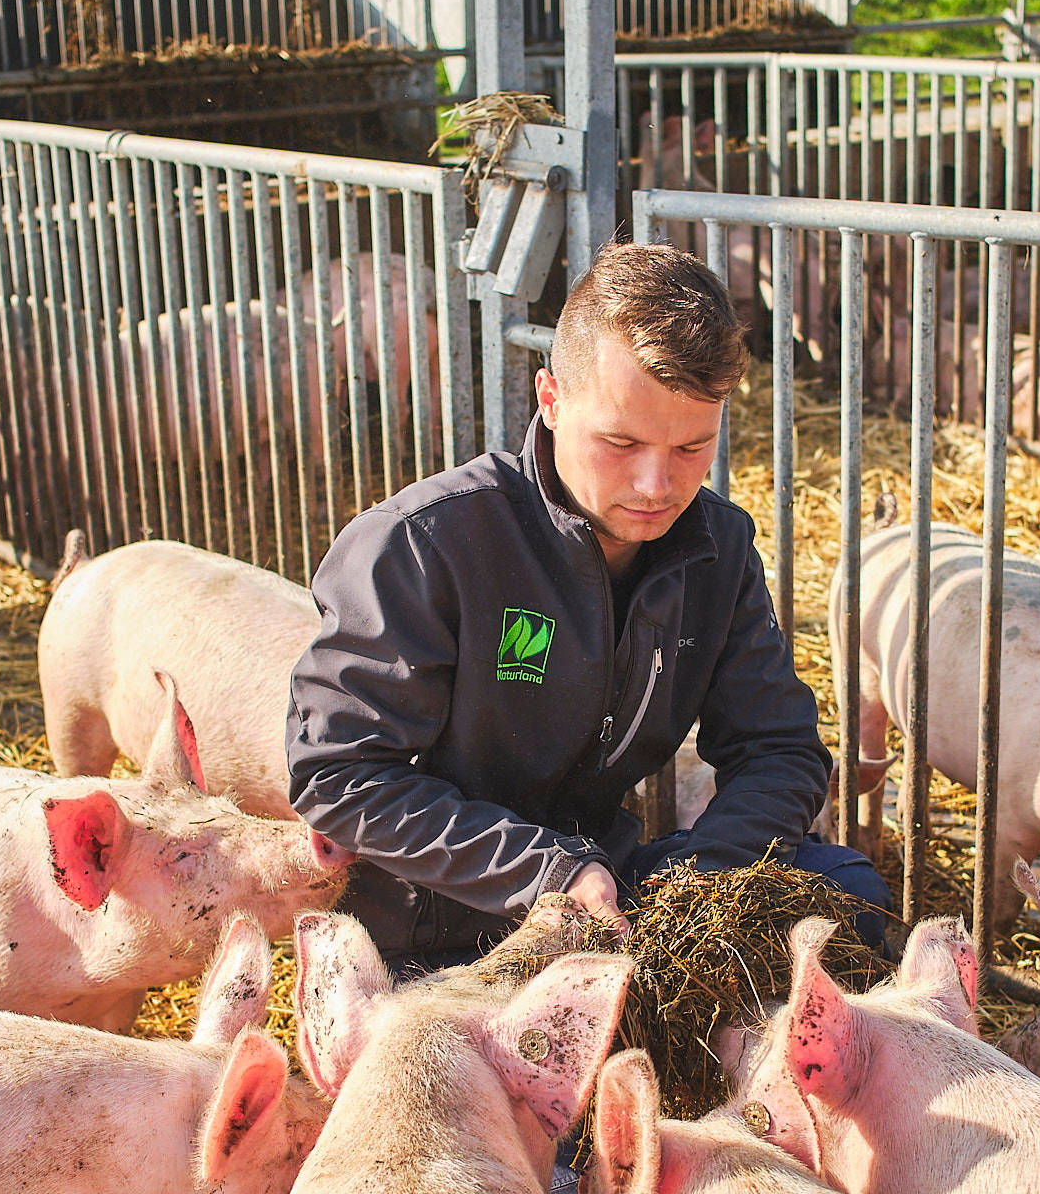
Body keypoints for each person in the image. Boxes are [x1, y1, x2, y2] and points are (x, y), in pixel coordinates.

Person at [286, 241, 889, 968]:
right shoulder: (422, 543)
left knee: (851, 893)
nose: (656, 485)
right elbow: (339, 773)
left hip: (608, 891)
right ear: (550, 398)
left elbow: (778, 749)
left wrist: (704, 886)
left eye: (692, 447)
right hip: (441, 927)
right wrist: (547, 873)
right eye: (621, 441)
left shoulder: (717, 550)